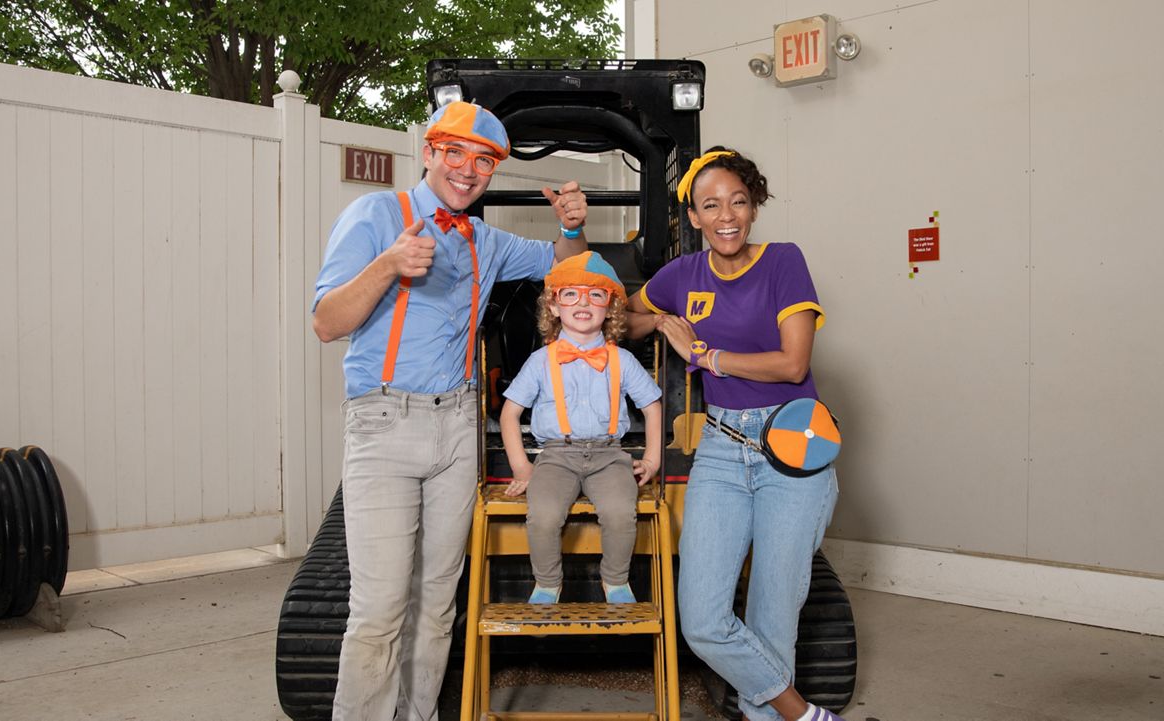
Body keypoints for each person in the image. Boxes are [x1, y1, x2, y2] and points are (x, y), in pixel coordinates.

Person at [312, 100, 590, 721]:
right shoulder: (377, 214)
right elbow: (326, 322)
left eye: (484, 161)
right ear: (429, 153)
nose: (468, 170)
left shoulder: (483, 239)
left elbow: (568, 269)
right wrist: (388, 265)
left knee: (437, 603)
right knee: (380, 609)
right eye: (456, 153)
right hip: (384, 423)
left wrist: (570, 225)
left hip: (458, 428)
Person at [628, 147, 846, 721]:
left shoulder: (782, 262)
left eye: (739, 202)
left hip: (791, 447)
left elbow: (792, 364)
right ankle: (806, 716)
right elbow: (621, 316)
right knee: (700, 619)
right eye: (711, 205)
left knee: (773, 622)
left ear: (753, 208)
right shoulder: (682, 275)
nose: (727, 215)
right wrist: (661, 322)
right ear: (694, 217)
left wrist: (709, 357)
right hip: (722, 449)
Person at [498, 251, 663, 604]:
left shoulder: (622, 359)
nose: (583, 303)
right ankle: (547, 584)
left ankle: (616, 581)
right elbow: (509, 413)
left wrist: (652, 460)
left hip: (609, 456)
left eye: (596, 295)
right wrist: (522, 468)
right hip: (557, 456)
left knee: (621, 512)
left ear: (611, 308)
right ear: (554, 307)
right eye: (570, 294)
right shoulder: (540, 360)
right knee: (543, 515)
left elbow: (652, 406)